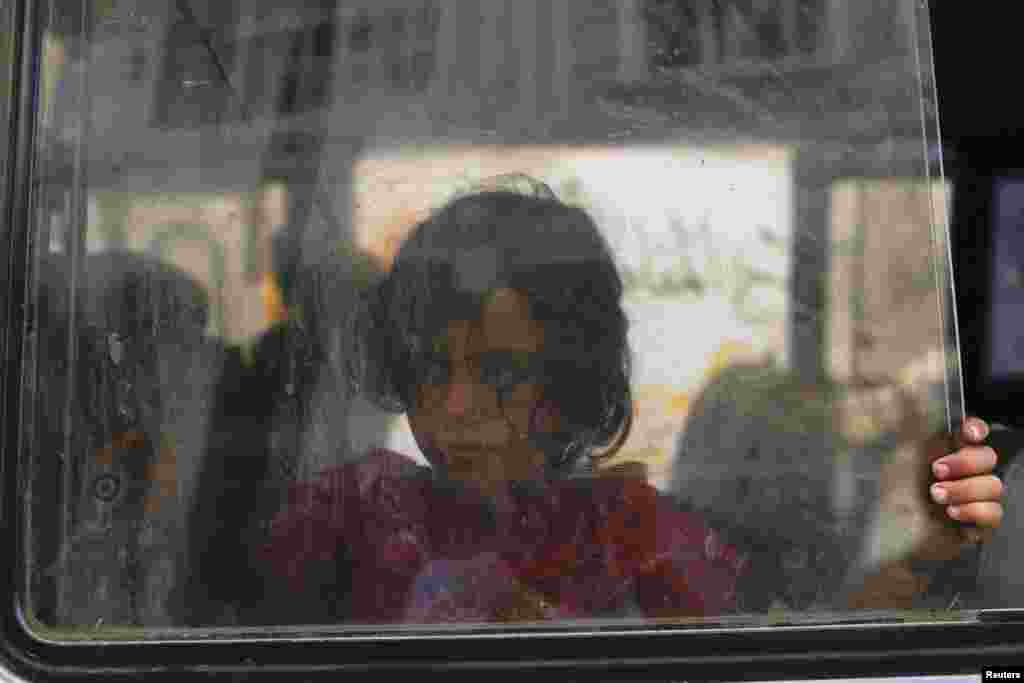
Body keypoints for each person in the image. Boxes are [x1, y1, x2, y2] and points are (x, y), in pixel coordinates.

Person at [259, 182, 1003, 623]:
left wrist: (921, 558)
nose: (455, 404)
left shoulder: (633, 536)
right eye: (428, 367)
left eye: (502, 373)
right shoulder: (354, 511)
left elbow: (783, 651)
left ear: (572, 386)